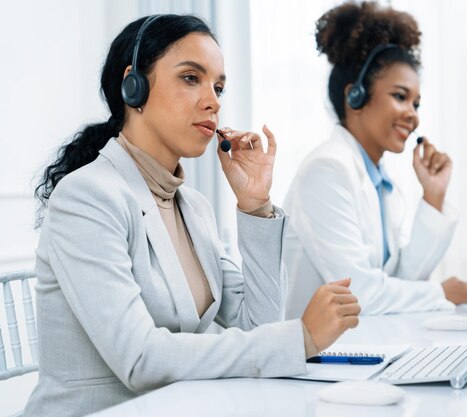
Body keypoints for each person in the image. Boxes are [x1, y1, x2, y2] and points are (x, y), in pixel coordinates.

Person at [26, 14, 359, 417]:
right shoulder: (87, 197)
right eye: (190, 78)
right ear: (135, 85)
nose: (213, 100)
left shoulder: (194, 207)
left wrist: (256, 206)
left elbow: (259, 328)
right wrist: (300, 339)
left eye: (218, 87)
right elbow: (140, 358)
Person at [283, 1, 467, 319]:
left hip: (361, 348)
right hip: (313, 361)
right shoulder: (327, 170)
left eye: (416, 103)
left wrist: (433, 196)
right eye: (400, 97)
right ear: (355, 96)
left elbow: (397, 284)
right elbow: (361, 294)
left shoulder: (376, 180)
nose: (413, 116)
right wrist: (441, 293)